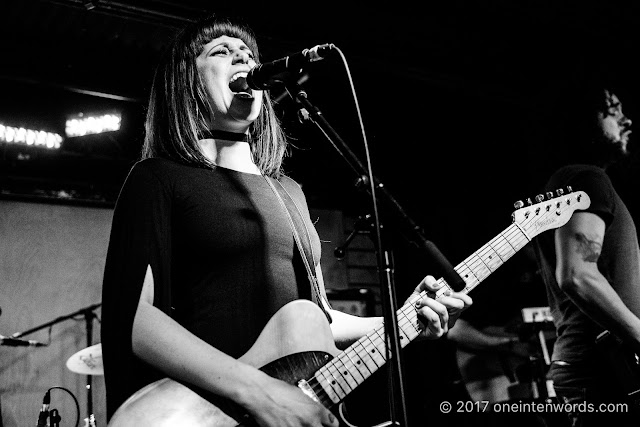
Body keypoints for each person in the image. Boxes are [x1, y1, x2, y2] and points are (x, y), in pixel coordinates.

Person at [100, 15, 472, 427]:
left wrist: (404, 319)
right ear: (184, 82)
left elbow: (320, 319)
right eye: (221, 51)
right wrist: (257, 391)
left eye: (248, 53)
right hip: (209, 411)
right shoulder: (158, 178)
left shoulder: (289, 190)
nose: (242, 56)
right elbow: (133, 319)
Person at [533, 86, 639, 426]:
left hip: (605, 367)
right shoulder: (585, 178)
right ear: (583, 122)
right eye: (612, 110)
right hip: (601, 372)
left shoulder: (584, 180)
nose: (627, 120)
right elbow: (578, 274)